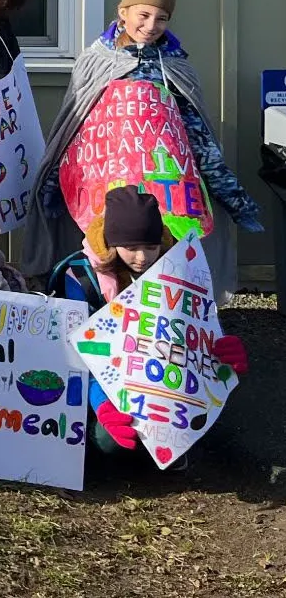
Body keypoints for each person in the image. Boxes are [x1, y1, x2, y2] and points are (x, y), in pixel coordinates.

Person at [22, 0, 260, 300]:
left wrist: (233, 197)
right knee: (109, 254)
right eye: (143, 14)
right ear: (124, 12)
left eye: (161, 18)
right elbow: (73, 129)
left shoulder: (176, 67)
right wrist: (50, 188)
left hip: (164, 190)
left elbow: (198, 137)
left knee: (157, 254)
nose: (150, 25)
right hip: (106, 186)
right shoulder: (95, 61)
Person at [45, 186, 249, 457]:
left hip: (160, 377)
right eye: (130, 248)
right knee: (110, 440)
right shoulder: (81, 279)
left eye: (150, 247)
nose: (142, 258)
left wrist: (218, 348)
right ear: (110, 242)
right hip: (103, 384)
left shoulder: (178, 267)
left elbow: (193, 325)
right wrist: (102, 404)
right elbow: (76, 352)